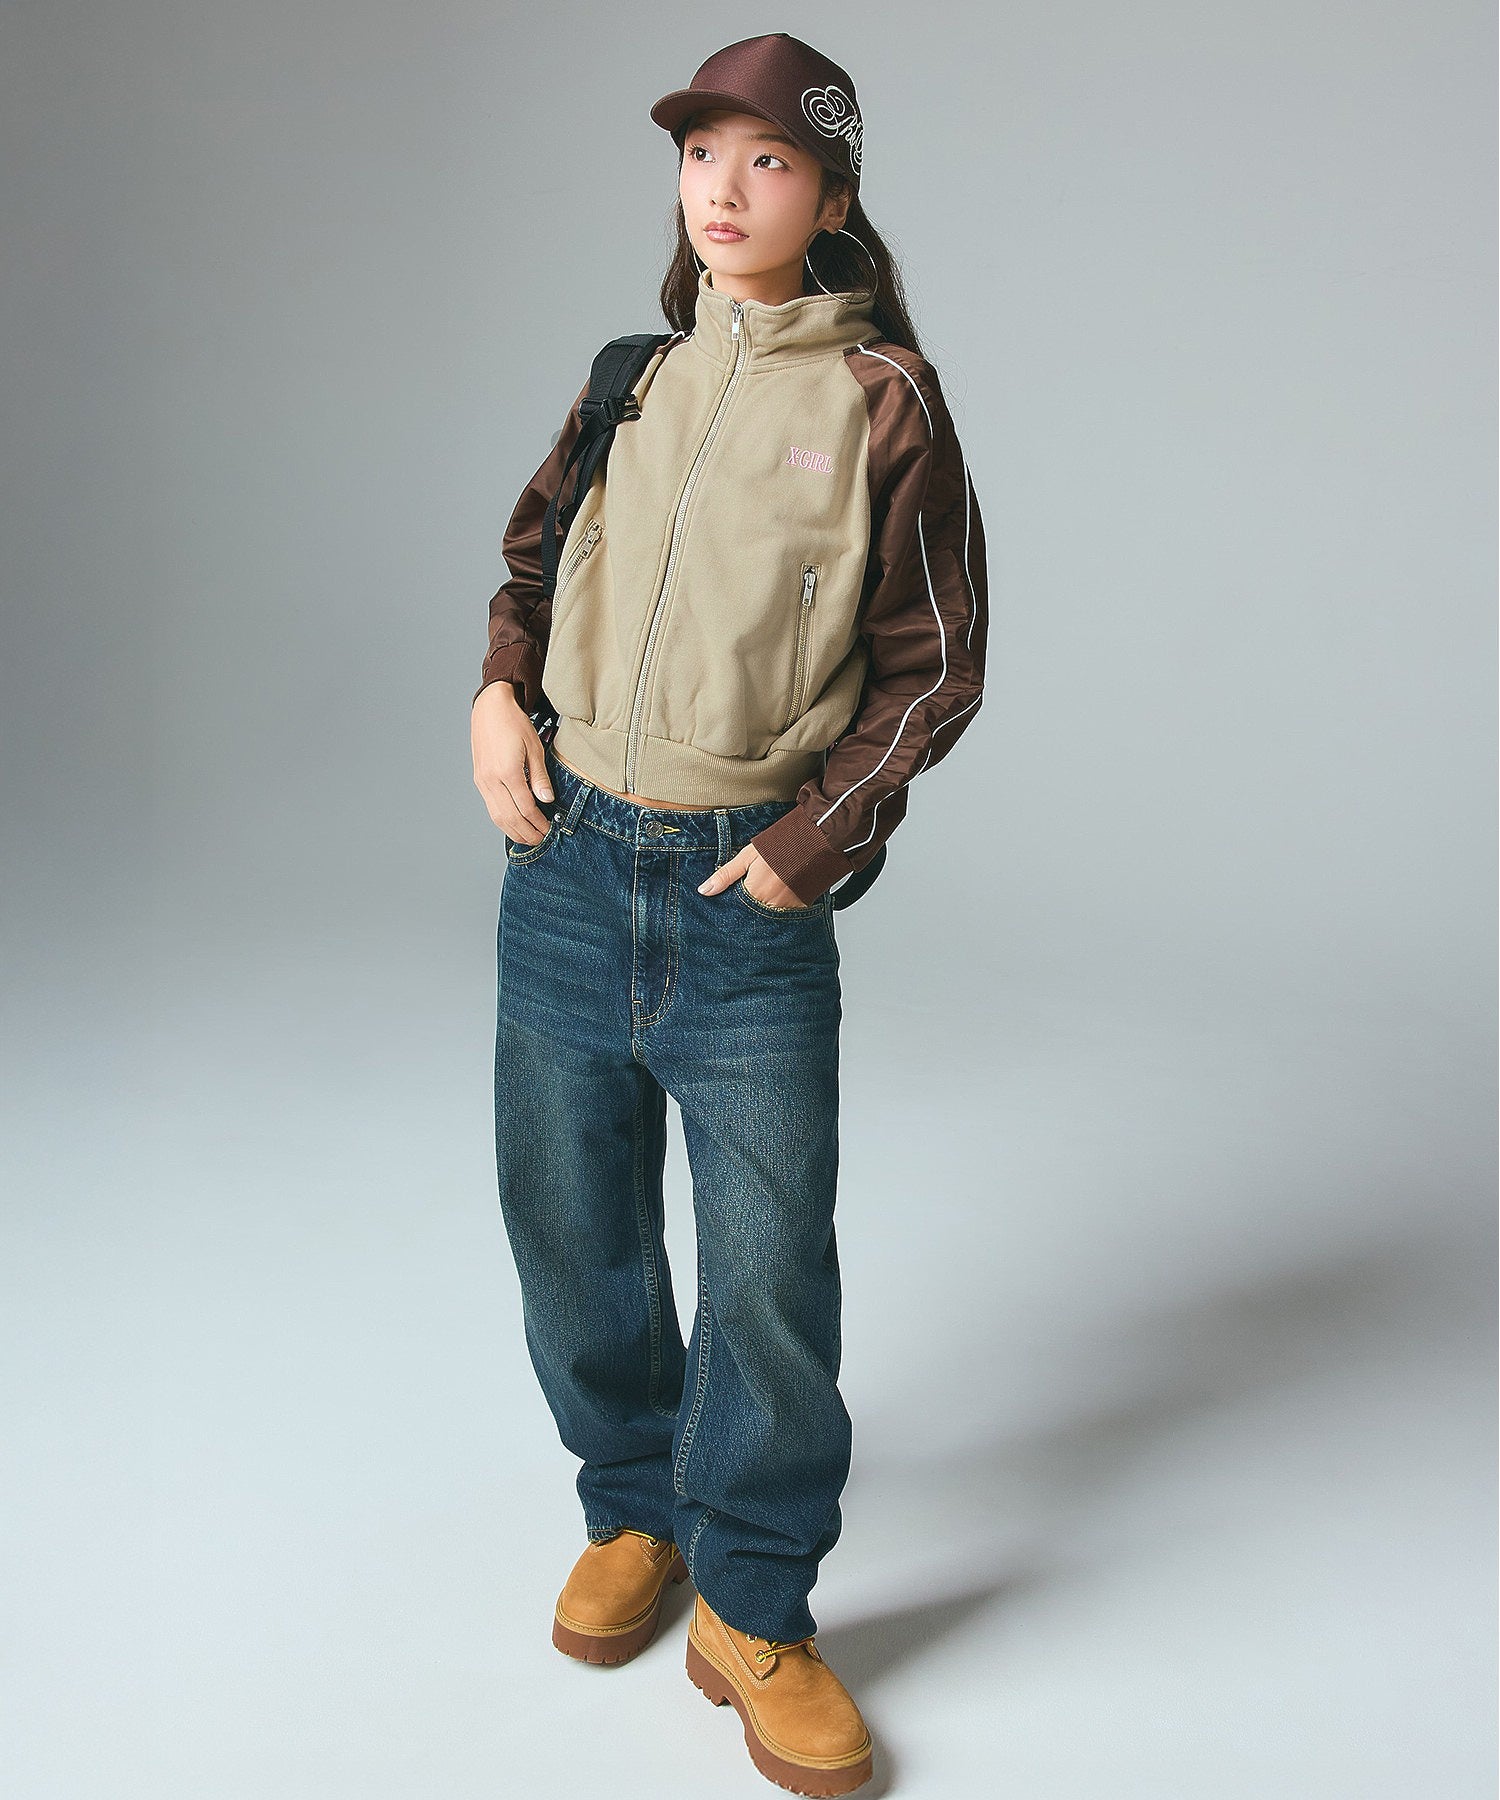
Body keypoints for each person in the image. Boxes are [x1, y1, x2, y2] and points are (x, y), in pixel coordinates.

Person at [469, 33, 989, 1796]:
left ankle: (755, 1604)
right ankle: (634, 1511)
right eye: (703, 152)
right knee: (572, 1228)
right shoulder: (633, 374)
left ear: (830, 195)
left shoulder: (885, 400)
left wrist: (810, 843)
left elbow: (933, 666)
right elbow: (531, 562)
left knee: (768, 1275)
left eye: (768, 160)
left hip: (741, 896)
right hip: (566, 866)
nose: (725, 185)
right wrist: (496, 695)